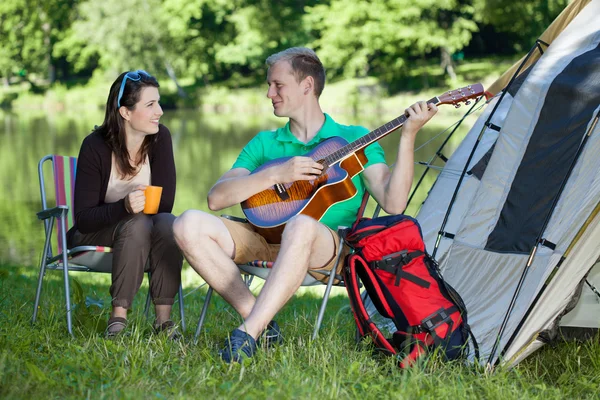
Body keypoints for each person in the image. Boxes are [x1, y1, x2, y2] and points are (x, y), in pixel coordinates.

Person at [173, 47, 437, 362]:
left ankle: (247, 333)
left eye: (278, 85)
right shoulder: (265, 142)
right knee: (187, 223)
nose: (269, 93)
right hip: (263, 237)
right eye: (269, 85)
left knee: (302, 224)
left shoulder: (353, 137)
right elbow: (217, 198)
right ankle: (261, 321)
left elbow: (394, 203)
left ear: (307, 86)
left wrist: (408, 136)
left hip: (326, 248)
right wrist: (275, 173)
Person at [67, 70, 183, 338]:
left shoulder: (159, 138)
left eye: (159, 102)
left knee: (169, 223)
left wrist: (137, 209)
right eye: (150, 105)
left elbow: (165, 204)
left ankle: (163, 322)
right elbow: (83, 218)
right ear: (125, 112)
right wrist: (124, 207)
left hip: (143, 230)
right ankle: (117, 320)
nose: (160, 111)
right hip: (94, 231)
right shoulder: (94, 146)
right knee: (137, 222)